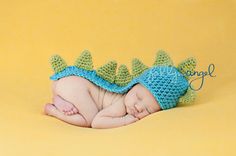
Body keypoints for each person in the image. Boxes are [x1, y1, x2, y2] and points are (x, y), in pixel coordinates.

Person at [44, 50, 197, 129]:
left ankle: (59, 98)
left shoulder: (130, 99)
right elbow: (97, 122)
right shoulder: (121, 103)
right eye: (138, 97)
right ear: (133, 85)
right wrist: (124, 121)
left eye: (148, 110)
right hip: (76, 86)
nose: (138, 107)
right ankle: (53, 110)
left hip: (69, 85)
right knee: (88, 119)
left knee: (85, 108)